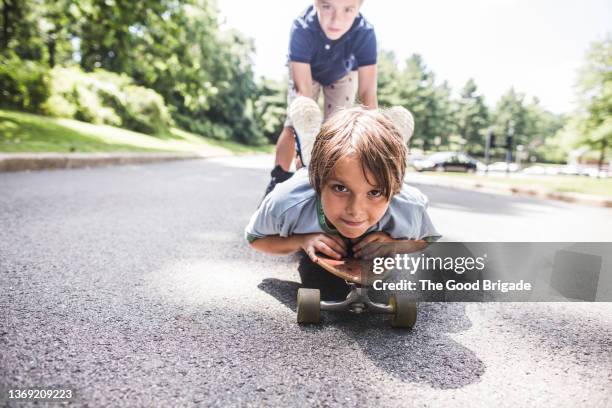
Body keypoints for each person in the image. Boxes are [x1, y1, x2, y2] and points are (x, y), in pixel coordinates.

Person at [247, 106, 440, 299]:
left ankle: (392, 138)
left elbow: (426, 240)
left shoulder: (408, 205)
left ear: (395, 191)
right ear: (319, 185)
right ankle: (310, 141)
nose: (355, 211)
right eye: (341, 188)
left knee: (380, 165)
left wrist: (394, 245)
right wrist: (301, 240)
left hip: (374, 173)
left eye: (375, 192)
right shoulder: (288, 201)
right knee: (311, 162)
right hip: (310, 173)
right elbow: (255, 238)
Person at [264, 0, 379, 196]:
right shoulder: (302, 27)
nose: (337, 19)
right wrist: (304, 150)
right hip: (307, 74)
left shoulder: (365, 32)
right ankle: (278, 179)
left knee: (337, 128)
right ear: (316, 3)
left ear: (359, 8)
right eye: (327, 7)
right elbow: (304, 93)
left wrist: (374, 139)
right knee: (295, 121)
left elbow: (368, 93)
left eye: (348, 10)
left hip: (343, 73)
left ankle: (329, 181)